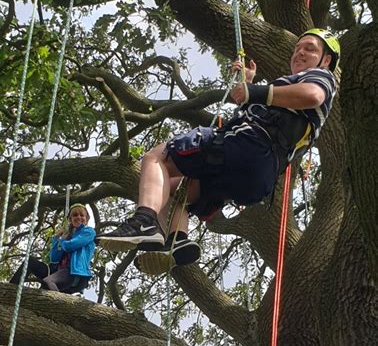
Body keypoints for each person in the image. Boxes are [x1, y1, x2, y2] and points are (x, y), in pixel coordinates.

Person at [97, 29, 340, 269]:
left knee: (155, 158)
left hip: (248, 148)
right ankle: (177, 240)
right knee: (173, 190)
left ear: (326, 60)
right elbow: (256, 115)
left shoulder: (321, 77)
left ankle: (143, 221)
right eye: (297, 48)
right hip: (255, 178)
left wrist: (256, 91)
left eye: (309, 48)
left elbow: (312, 95)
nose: (299, 53)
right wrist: (248, 85)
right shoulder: (286, 94)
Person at [10, 204, 96, 293]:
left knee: (48, 281)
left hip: (73, 273)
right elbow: (54, 258)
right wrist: (57, 238)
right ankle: (11, 289)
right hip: (57, 272)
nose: (78, 217)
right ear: (70, 219)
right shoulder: (67, 237)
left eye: (82, 215)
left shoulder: (88, 232)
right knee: (29, 262)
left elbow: (70, 246)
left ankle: (58, 300)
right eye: (75, 215)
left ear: (86, 219)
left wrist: (63, 240)